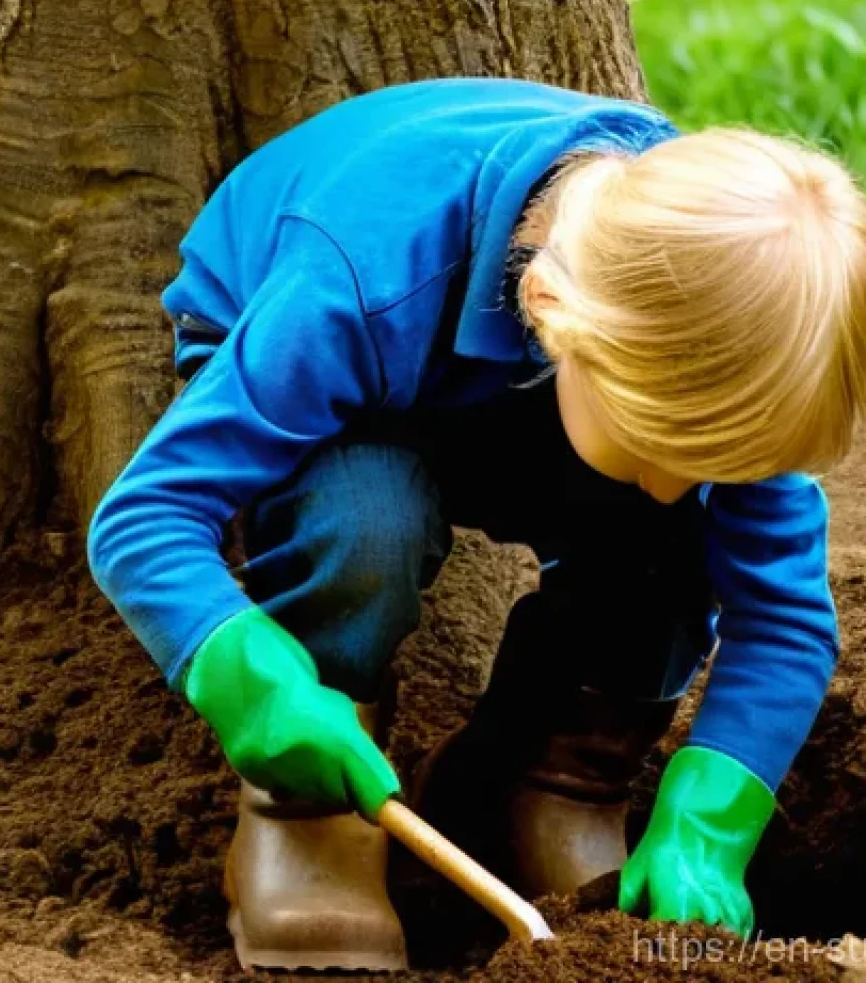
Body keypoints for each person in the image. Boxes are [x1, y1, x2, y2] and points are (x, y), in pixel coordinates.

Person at [86, 77, 866, 971]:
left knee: (673, 543)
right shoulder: (351, 281)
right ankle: (310, 816)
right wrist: (252, 681)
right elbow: (143, 515)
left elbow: (788, 619)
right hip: (342, 356)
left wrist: (708, 824)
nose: (672, 486)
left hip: (546, 386)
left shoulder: (730, 345)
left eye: (721, 464)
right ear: (552, 311)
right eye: (661, 446)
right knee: (366, 515)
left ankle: (541, 786)